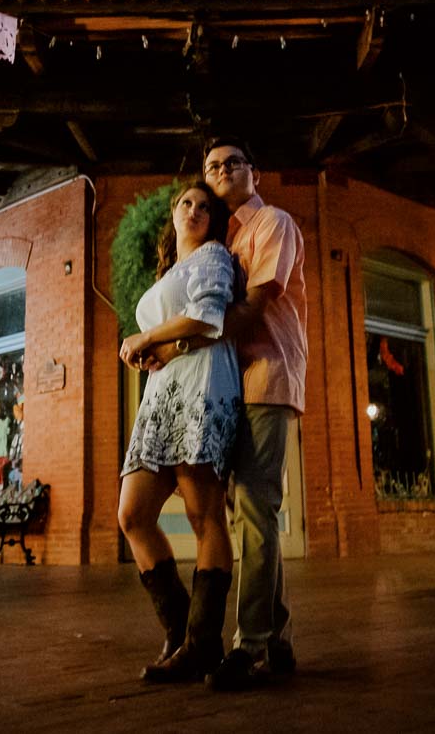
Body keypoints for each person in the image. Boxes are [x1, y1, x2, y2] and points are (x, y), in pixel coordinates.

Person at [153, 137, 308, 691]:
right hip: (228, 386)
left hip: (267, 377)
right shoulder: (221, 239)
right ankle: (279, 638)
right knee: (252, 512)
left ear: (254, 172)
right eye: (211, 166)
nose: (220, 172)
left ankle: (251, 646)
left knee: (254, 506)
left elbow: (255, 305)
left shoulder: (272, 224)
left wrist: (174, 346)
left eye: (232, 163)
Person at [118, 181, 244, 683]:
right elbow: (180, 327)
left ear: (214, 220)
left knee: (203, 513)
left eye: (204, 206)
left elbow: (208, 315)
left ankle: (201, 644)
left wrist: (147, 337)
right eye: (186, 204)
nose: (194, 210)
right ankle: (180, 629)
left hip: (202, 389)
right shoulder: (170, 271)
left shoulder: (213, 256)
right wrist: (149, 352)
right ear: (173, 216)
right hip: (160, 397)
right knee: (132, 514)